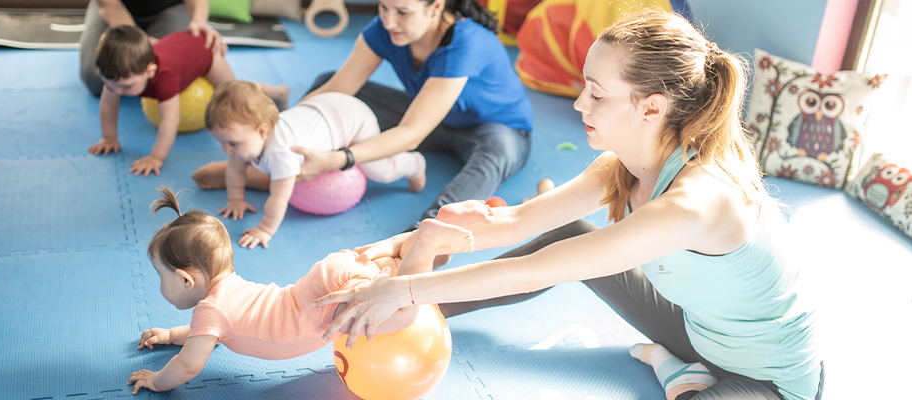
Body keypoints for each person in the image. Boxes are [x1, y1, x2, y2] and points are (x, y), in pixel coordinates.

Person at [313, 10, 824, 400]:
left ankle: (679, 376)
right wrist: (407, 247)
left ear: (652, 108)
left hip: (767, 377)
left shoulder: (695, 203)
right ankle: (424, 311)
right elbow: (517, 221)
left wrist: (401, 286)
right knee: (569, 233)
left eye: (597, 95)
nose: (580, 104)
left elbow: (532, 272)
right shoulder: (621, 165)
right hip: (694, 330)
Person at [191, 0, 534, 230]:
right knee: (326, 85)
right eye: (383, 7)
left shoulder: (467, 42)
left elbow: (412, 133)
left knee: (496, 156)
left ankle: (427, 232)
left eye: (402, 12)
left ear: (436, 6)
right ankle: (279, 169)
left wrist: (340, 158)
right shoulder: (384, 28)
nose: (389, 21)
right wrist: (281, 142)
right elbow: (339, 88)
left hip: (493, 130)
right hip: (428, 118)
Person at [126, 185, 488, 394]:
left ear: (186, 279)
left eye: (160, 275)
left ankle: (426, 242)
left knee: (403, 311)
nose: (160, 283)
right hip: (325, 278)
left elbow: (188, 365)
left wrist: (157, 381)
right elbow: (206, 336)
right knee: (389, 275)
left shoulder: (211, 311)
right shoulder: (224, 296)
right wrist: (171, 335)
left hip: (327, 305)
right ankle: (422, 241)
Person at [202, 80, 427, 250]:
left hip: (351, 118)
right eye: (221, 142)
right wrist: (236, 199)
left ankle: (414, 163)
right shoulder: (244, 141)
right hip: (324, 107)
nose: (226, 150)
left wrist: (265, 229)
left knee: (380, 170)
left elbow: (279, 197)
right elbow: (235, 170)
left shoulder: (280, 153)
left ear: (262, 131)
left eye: (232, 143)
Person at [86, 26, 285, 176]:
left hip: (205, 52)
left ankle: (278, 92)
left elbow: (170, 120)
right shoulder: (116, 77)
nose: (117, 91)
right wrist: (109, 137)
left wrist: (156, 157)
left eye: (127, 86)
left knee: (236, 93)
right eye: (110, 84)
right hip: (182, 46)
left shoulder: (164, 77)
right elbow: (109, 104)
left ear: (150, 71)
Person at [78, 0, 226, 97]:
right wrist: (138, 41)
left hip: (170, 8)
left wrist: (199, 22)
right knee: (95, 77)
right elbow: (108, 4)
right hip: (115, 7)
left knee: (171, 68)